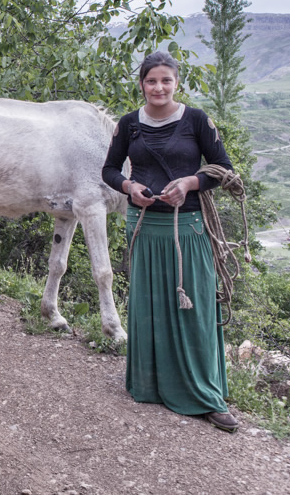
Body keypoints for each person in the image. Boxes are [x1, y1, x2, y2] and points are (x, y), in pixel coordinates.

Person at [101, 51, 239, 433]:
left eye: (166, 80)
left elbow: (224, 169)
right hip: (144, 227)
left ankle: (208, 397)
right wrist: (130, 188)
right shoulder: (129, 125)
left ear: (176, 82)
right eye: (151, 81)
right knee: (149, 308)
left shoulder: (196, 120)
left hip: (188, 228)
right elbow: (109, 170)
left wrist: (190, 183)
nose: (158, 87)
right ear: (142, 84)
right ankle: (151, 385)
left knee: (193, 312)